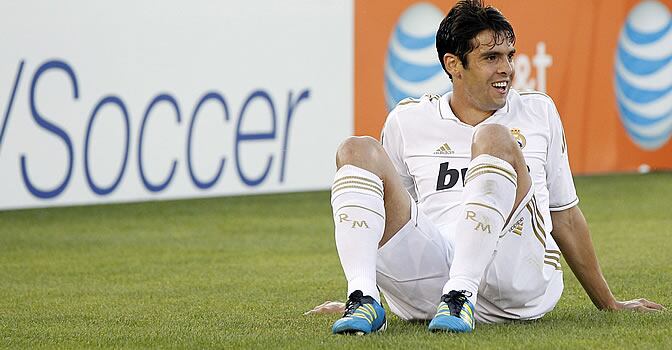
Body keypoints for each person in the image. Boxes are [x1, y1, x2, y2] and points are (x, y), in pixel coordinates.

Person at [328, 0, 663, 335]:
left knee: (492, 138)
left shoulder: (537, 112)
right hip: (434, 285)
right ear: (454, 64)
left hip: (515, 276)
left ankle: (462, 291)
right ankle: (362, 298)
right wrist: (365, 279)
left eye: (509, 56)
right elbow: (389, 218)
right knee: (356, 150)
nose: (507, 68)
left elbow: (565, 216)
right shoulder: (408, 120)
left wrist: (609, 302)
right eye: (491, 58)